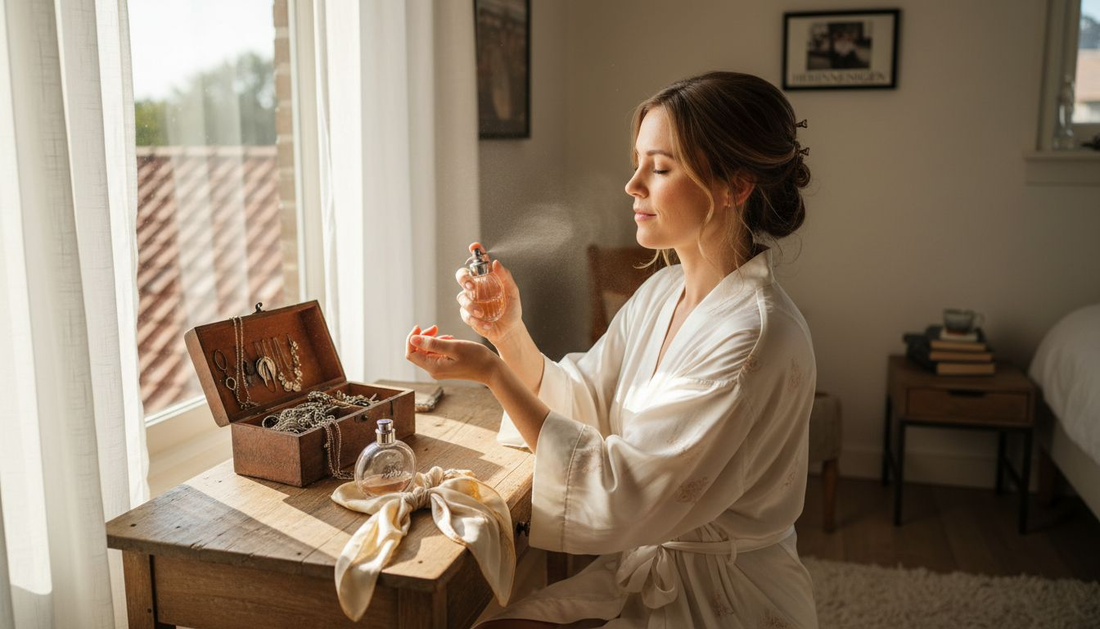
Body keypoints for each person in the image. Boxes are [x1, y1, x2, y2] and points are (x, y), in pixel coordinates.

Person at [405, 71, 818, 628]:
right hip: (647, 569)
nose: (633, 185)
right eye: (637, 162)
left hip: (719, 600)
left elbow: (625, 491)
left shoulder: (753, 336)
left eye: (660, 168)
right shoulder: (663, 291)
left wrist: (493, 374)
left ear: (734, 187)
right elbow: (588, 401)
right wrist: (507, 335)